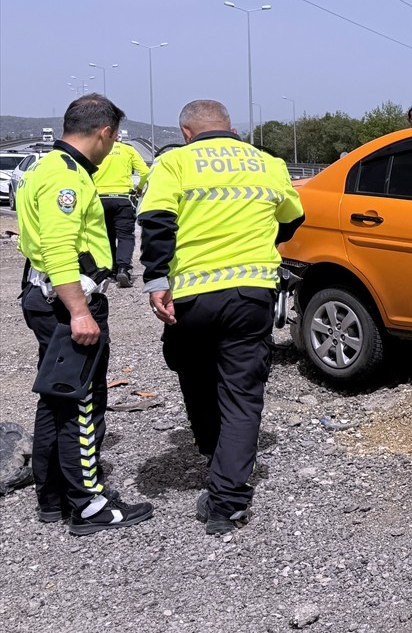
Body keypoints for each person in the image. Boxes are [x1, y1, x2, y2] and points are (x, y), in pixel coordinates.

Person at [138, 100, 304, 535]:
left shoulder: (174, 162)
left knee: (194, 374)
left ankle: (215, 457)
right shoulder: (268, 162)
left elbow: (156, 222)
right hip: (251, 293)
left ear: (188, 132)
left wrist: (156, 281)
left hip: (191, 295)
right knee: (242, 391)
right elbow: (292, 220)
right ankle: (227, 501)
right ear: (230, 127)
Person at [15, 94, 154, 536]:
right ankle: (89, 506)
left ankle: (52, 497)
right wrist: (79, 311)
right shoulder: (66, 177)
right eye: (113, 140)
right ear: (105, 133)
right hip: (66, 300)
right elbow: (59, 246)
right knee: (83, 402)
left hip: (45, 295)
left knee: (55, 398)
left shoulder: (42, 166)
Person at [93, 137, 151, 287]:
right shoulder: (128, 150)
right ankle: (123, 269)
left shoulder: (97, 149)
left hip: (100, 199)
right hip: (123, 198)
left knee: (106, 236)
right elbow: (145, 172)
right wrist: (139, 188)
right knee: (125, 236)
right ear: (118, 137)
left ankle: (109, 270)